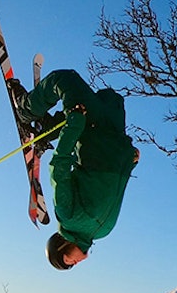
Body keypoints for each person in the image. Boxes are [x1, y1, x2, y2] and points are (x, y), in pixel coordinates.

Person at [8, 69, 139, 270]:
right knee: (111, 97)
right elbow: (116, 189)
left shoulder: (66, 215)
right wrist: (129, 163)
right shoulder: (103, 232)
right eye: (72, 265)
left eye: (69, 261)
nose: (75, 263)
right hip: (116, 136)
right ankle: (49, 127)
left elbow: (59, 165)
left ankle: (25, 109)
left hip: (94, 130)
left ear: (61, 246)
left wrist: (74, 124)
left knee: (64, 79)